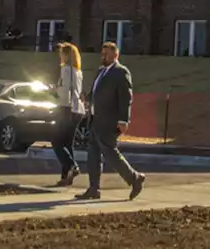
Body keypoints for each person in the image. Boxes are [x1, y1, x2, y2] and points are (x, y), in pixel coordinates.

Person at [77, 40, 145, 201]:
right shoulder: (101, 71)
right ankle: (94, 189)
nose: (103, 57)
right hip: (95, 119)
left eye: (107, 54)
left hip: (109, 121)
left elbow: (126, 98)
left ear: (116, 55)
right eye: (102, 54)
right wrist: (87, 97)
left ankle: (134, 178)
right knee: (92, 156)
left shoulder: (121, 72)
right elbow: (97, 93)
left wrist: (123, 119)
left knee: (110, 153)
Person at [52, 41, 86, 187]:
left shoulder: (66, 70)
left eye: (62, 54)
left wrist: (54, 91)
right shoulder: (78, 72)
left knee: (57, 142)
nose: (60, 57)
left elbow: (65, 91)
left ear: (66, 55)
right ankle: (66, 176)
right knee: (67, 143)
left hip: (67, 108)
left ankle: (72, 166)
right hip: (78, 109)